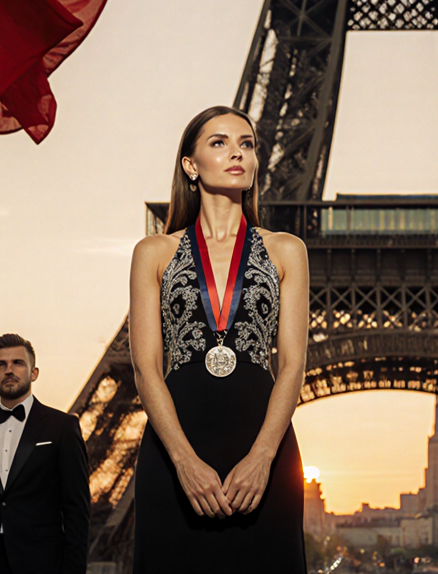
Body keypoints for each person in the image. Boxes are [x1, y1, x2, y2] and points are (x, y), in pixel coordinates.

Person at [130, 105, 309, 573]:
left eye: (246, 144)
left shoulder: (287, 249)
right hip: (174, 455)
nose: (237, 153)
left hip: (264, 457)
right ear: (190, 165)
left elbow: (292, 364)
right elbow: (145, 367)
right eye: (219, 142)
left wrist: (263, 458)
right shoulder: (153, 252)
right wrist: (184, 462)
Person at [0, 334, 91, 574]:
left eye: (18, 363)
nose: (9, 370)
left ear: (34, 373)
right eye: (1, 365)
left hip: (42, 562)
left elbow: (77, 508)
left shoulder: (62, 426)